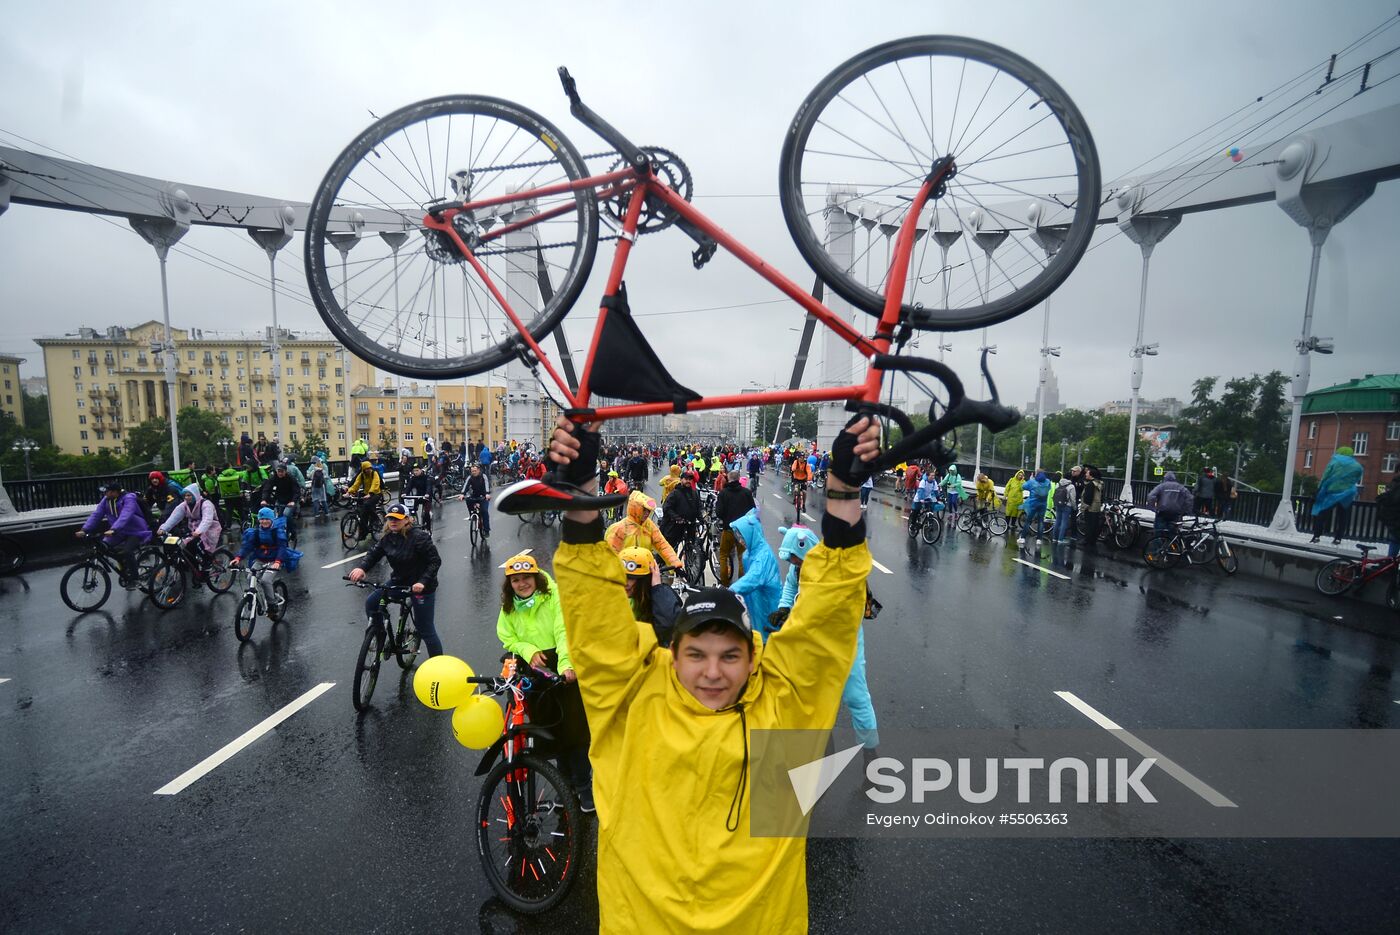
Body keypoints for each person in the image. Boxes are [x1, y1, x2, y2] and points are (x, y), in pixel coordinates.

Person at [539, 413, 876, 933]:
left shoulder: (783, 706)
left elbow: (828, 617)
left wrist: (843, 493)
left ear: (754, 657)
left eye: (730, 655)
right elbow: (590, 609)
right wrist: (579, 492)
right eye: (696, 653)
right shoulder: (633, 704)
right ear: (671, 655)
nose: (713, 672)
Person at [492, 549, 592, 812]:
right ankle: (565, 784)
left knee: (576, 730)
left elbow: (563, 630)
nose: (521, 583)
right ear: (509, 583)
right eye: (515, 580)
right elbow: (508, 637)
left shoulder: (554, 596)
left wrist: (567, 664)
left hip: (562, 662)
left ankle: (584, 786)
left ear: (537, 578)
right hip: (535, 670)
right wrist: (528, 650)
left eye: (527, 578)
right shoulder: (510, 606)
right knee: (551, 731)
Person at [774, 523, 879, 759]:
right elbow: (790, 588)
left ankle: (870, 752)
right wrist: (784, 608)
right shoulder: (798, 569)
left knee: (856, 696)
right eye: (791, 560)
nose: (793, 564)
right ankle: (821, 748)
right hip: (814, 642)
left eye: (794, 559)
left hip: (845, 639)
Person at [348, 501, 444, 656]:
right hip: (399, 582)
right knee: (372, 603)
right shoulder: (387, 538)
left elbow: (435, 562)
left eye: (397, 518)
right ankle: (379, 635)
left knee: (425, 629)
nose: (393, 521)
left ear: (407, 519)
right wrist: (361, 568)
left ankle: (438, 667)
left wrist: (422, 582)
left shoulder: (419, 537)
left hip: (422, 586)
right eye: (390, 518)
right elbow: (374, 554)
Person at [77, 482, 152, 586]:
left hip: (135, 531)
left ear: (115, 492)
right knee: (103, 546)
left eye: (107, 492)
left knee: (127, 551)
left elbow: (126, 514)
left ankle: (135, 579)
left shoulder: (128, 498)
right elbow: (96, 515)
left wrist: (114, 529)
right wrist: (85, 530)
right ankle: (124, 565)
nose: (105, 494)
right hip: (118, 531)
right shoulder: (106, 500)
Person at [618, 546, 681, 647]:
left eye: (631, 578)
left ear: (647, 578)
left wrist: (657, 587)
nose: (625, 583)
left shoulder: (659, 597)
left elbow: (669, 625)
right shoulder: (611, 597)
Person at [231, 507, 290, 615]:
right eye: (262, 519)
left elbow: (282, 548)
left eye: (267, 519)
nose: (264, 521)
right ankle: (257, 599)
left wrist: (278, 562)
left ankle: (272, 604)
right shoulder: (256, 532)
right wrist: (238, 558)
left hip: (274, 561)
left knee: (265, 580)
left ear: (272, 519)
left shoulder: (277, 532)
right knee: (250, 578)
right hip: (260, 560)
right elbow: (247, 546)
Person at [157, 483, 223, 576]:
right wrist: (163, 528)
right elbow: (174, 518)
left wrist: (199, 531)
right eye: (185, 495)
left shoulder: (206, 504)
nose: (186, 498)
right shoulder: (184, 505)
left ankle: (207, 563)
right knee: (186, 547)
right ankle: (195, 571)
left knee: (197, 544)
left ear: (195, 495)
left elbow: (207, 520)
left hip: (209, 529)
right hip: (193, 529)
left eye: (189, 495)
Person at [606, 490, 682, 570]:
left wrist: (675, 562)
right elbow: (611, 554)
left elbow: (662, 544)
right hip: (625, 572)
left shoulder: (649, 525)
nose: (647, 513)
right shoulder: (620, 528)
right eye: (644, 510)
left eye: (649, 510)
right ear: (635, 508)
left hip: (645, 571)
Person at [1309, 446, 1364, 545]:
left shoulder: (1334, 462)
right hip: (1348, 494)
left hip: (1332, 492)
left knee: (1322, 514)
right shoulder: (1357, 465)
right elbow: (1357, 478)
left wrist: (1320, 488)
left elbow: (1325, 476)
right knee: (1342, 516)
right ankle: (1338, 538)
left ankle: (1316, 536)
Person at [715, 470, 755, 586]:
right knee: (742, 556)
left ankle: (725, 583)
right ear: (738, 479)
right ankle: (741, 584)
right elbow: (752, 511)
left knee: (723, 555)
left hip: (728, 529)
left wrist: (726, 518)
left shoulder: (723, 493)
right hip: (743, 531)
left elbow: (719, 512)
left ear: (728, 478)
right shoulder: (746, 493)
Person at [658, 470, 700, 559]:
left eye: (690, 479)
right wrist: (677, 518)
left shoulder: (694, 493)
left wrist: (701, 519)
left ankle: (688, 564)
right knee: (669, 549)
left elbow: (697, 507)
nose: (688, 481)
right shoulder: (675, 493)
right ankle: (661, 564)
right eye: (686, 479)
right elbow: (667, 508)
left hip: (689, 525)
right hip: (675, 525)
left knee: (691, 546)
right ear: (681, 480)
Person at [258, 461, 302, 539]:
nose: (280, 473)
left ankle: (292, 531)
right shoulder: (274, 477)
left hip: (290, 500)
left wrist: (293, 501)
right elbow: (267, 488)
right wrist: (264, 499)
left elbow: (296, 491)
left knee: (286, 515)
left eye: (282, 472)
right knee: (277, 518)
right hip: (280, 500)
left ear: (285, 471)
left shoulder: (291, 478)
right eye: (278, 471)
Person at [346, 459, 384, 543]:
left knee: (367, 505)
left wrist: (370, 493)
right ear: (363, 469)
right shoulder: (362, 475)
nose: (369, 470)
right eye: (367, 469)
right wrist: (349, 492)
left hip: (376, 493)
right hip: (367, 494)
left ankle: (376, 519)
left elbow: (375, 484)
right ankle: (363, 534)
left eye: (370, 468)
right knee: (363, 514)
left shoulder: (374, 473)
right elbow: (356, 484)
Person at [1145, 470, 1193, 534]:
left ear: (1165, 478)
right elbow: (1190, 498)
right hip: (1176, 513)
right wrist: (1185, 511)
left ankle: (1159, 543)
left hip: (1162, 513)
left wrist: (1153, 508)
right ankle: (1170, 543)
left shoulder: (1161, 486)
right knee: (1172, 534)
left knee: (1158, 533)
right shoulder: (1180, 487)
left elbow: (1151, 496)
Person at [1017, 469, 1052, 546]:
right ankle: (1039, 539)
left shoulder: (1032, 481)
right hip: (1043, 504)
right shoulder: (1047, 481)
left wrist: (1031, 479)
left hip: (1033, 504)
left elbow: (1023, 487)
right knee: (1041, 521)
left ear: (1036, 474)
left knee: (1028, 521)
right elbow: (1049, 488)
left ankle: (1022, 538)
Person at [461, 462, 491, 538]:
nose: (473, 472)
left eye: (475, 471)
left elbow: (487, 485)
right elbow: (466, 486)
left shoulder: (483, 476)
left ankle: (487, 530)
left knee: (484, 511)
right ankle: (472, 516)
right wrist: (462, 494)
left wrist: (487, 493)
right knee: (468, 500)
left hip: (483, 496)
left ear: (478, 470)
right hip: (474, 496)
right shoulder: (470, 477)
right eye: (472, 471)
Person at [1077, 465, 1105, 547]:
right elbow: (1102, 496)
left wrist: (1083, 508)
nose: (1086, 474)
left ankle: (1087, 540)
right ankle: (1093, 540)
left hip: (1090, 508)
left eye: (1087, 473)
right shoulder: (1099, 483)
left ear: (1091, 475)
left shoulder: (1090, 485)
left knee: (1088, 525)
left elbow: (1088, 497)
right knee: (1094, 524)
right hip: (1097, 506)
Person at [1376, 473, 1400, 558]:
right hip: (1396, 522)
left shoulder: (1393, 484)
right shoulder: (1395, 484)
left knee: (1394, 544)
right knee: (1395, 543)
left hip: (1393, 522)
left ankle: (1389, 566)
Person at [1051, 472, 1077, 543]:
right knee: (1064, 522)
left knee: (1057, 521)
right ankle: (1060, 539)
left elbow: (1055, 495)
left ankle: (1054, 538)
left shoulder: (1058, 484)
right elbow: (1072, 498)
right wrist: (1074, 507)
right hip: (1067, 505)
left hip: (1058, 505)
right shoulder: (1071, 486)